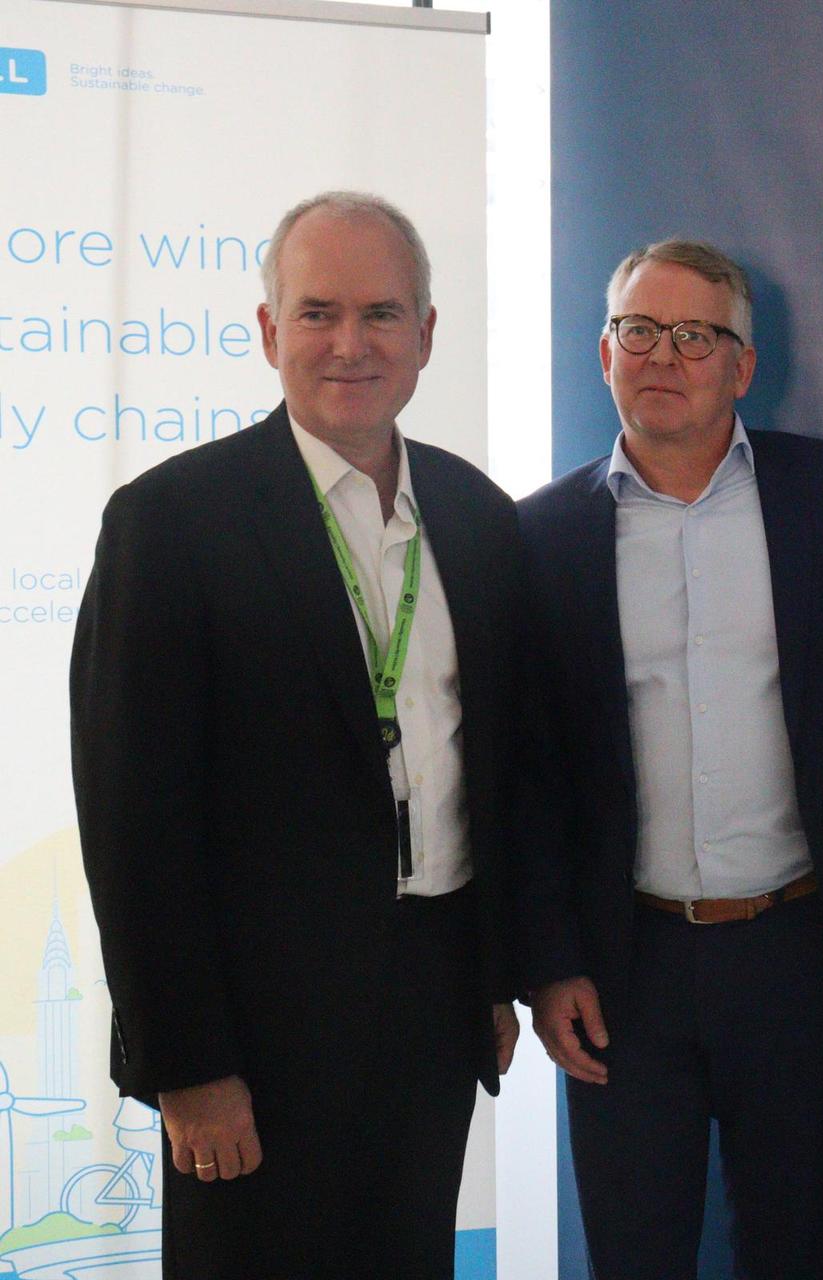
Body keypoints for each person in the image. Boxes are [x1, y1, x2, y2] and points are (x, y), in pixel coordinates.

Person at [70, 191, 524, 1279]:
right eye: (318, 312)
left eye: (380, 312)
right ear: (271, 331)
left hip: (430, 1006)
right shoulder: (171, 524)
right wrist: (189, 1065)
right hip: (252, 1035)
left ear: (426, 333)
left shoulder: (477, 513)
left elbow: (502, 771)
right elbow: (134, 825)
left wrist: (493, 977)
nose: (350, 343)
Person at [515, 238, 823, 1279]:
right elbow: (528, 776)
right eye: (638, 332)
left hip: (800, 947)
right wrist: (550, 956)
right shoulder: (540, 534)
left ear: (741, 365)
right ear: (604, 354)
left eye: (695, 335)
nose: (664, 355)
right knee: (635, 1249)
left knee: (791, 1244)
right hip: (623, 965)